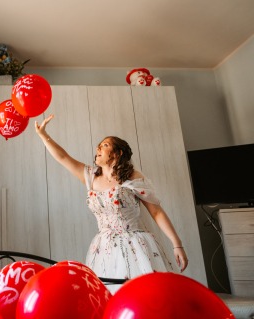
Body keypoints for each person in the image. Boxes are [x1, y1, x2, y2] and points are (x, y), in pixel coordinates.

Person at [35, 115, 188, 292]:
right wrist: (43, 134)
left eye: (105, 145)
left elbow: (156, 212)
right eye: (98, 146)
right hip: (104, 248)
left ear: (117, 153)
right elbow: (63, 157)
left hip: (135, 245)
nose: (98, 148)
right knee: (109, 295)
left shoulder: (133, 178)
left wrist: (177, 244)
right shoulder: (91, 176)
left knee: (141, 294)